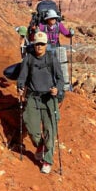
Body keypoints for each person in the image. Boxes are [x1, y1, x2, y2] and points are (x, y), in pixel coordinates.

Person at [17, 31, 65, 174]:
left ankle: (47, 160)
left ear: (46, 45)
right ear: (34, 44)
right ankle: (40, 146)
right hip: (32, 97)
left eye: (42, 44)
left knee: (50, 132)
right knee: (32, 129)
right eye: (37, 44)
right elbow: (22, 77)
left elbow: (60, 79)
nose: (39, 47)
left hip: (49, 99)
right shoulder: (29, 59)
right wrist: (19, 87)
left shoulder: (51, 59)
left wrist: (58, 89)